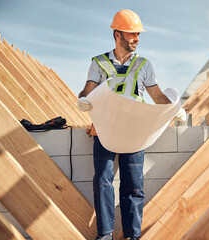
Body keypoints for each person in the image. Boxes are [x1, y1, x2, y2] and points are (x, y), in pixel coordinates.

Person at [77, 9, 185, 240]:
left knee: (133, 187)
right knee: (103, 181)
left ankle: (131, 236)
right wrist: (83, 100)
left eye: (138, 34)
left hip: (134, 132)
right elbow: (88, 89)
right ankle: (105, 234)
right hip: (104, 130)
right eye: (132, 33)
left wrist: (174, 109)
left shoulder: (144, 65)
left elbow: (157, 97)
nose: (137, 38)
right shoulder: (99, 63)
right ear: (118, 35)